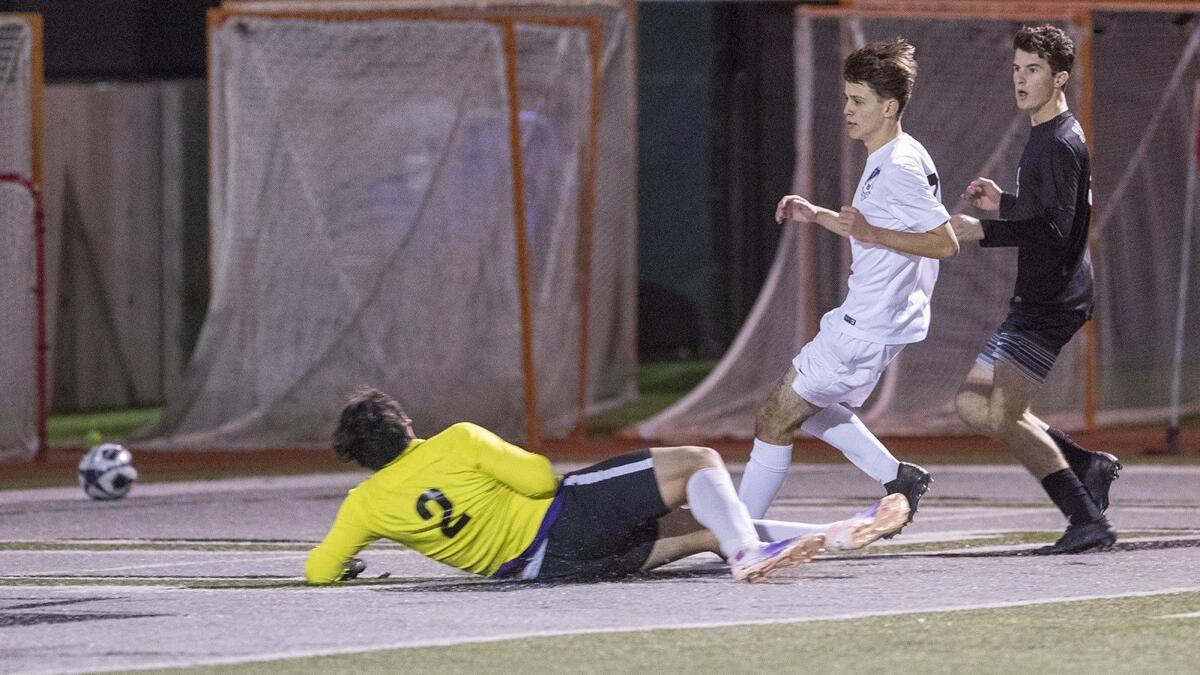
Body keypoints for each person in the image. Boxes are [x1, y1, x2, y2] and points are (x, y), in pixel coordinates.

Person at [305, 388, 911, 585]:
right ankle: (750, 553)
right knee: (698, 462)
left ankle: (839, 533)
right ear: (403, 423)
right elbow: (540, 480)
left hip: (544, 570)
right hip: (561, 521)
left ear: (358, 458)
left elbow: (319, 571)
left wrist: (346, 566)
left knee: (703, 529)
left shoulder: (366, 505)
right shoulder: (456, 441)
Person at [739, 38, 958, 532]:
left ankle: (738, 535)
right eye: (846, 98)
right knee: (807, 409)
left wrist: (870, 233)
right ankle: (899, 477)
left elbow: (945, 243)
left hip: (868, 324)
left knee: (775, 416)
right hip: (877, 319)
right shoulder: (897, 153)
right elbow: (873, 228)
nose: (847, 110)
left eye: (857, 101)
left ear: (889, 106)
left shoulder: (898, 166)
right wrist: (816, 214)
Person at [949, 25, 1119, 555]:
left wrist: (984, 230)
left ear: (1060, 78)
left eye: (1034, 71)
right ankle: (1087, 465)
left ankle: (1086, 520)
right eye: (1017, 69)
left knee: (1001, 414)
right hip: (1036, 296)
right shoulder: (1042, 132)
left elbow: (1058, 231)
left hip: (1054, 299)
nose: (1021, 80)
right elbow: (1046, 212)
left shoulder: (1062, 141)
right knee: (972, 404)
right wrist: (1005, 201)